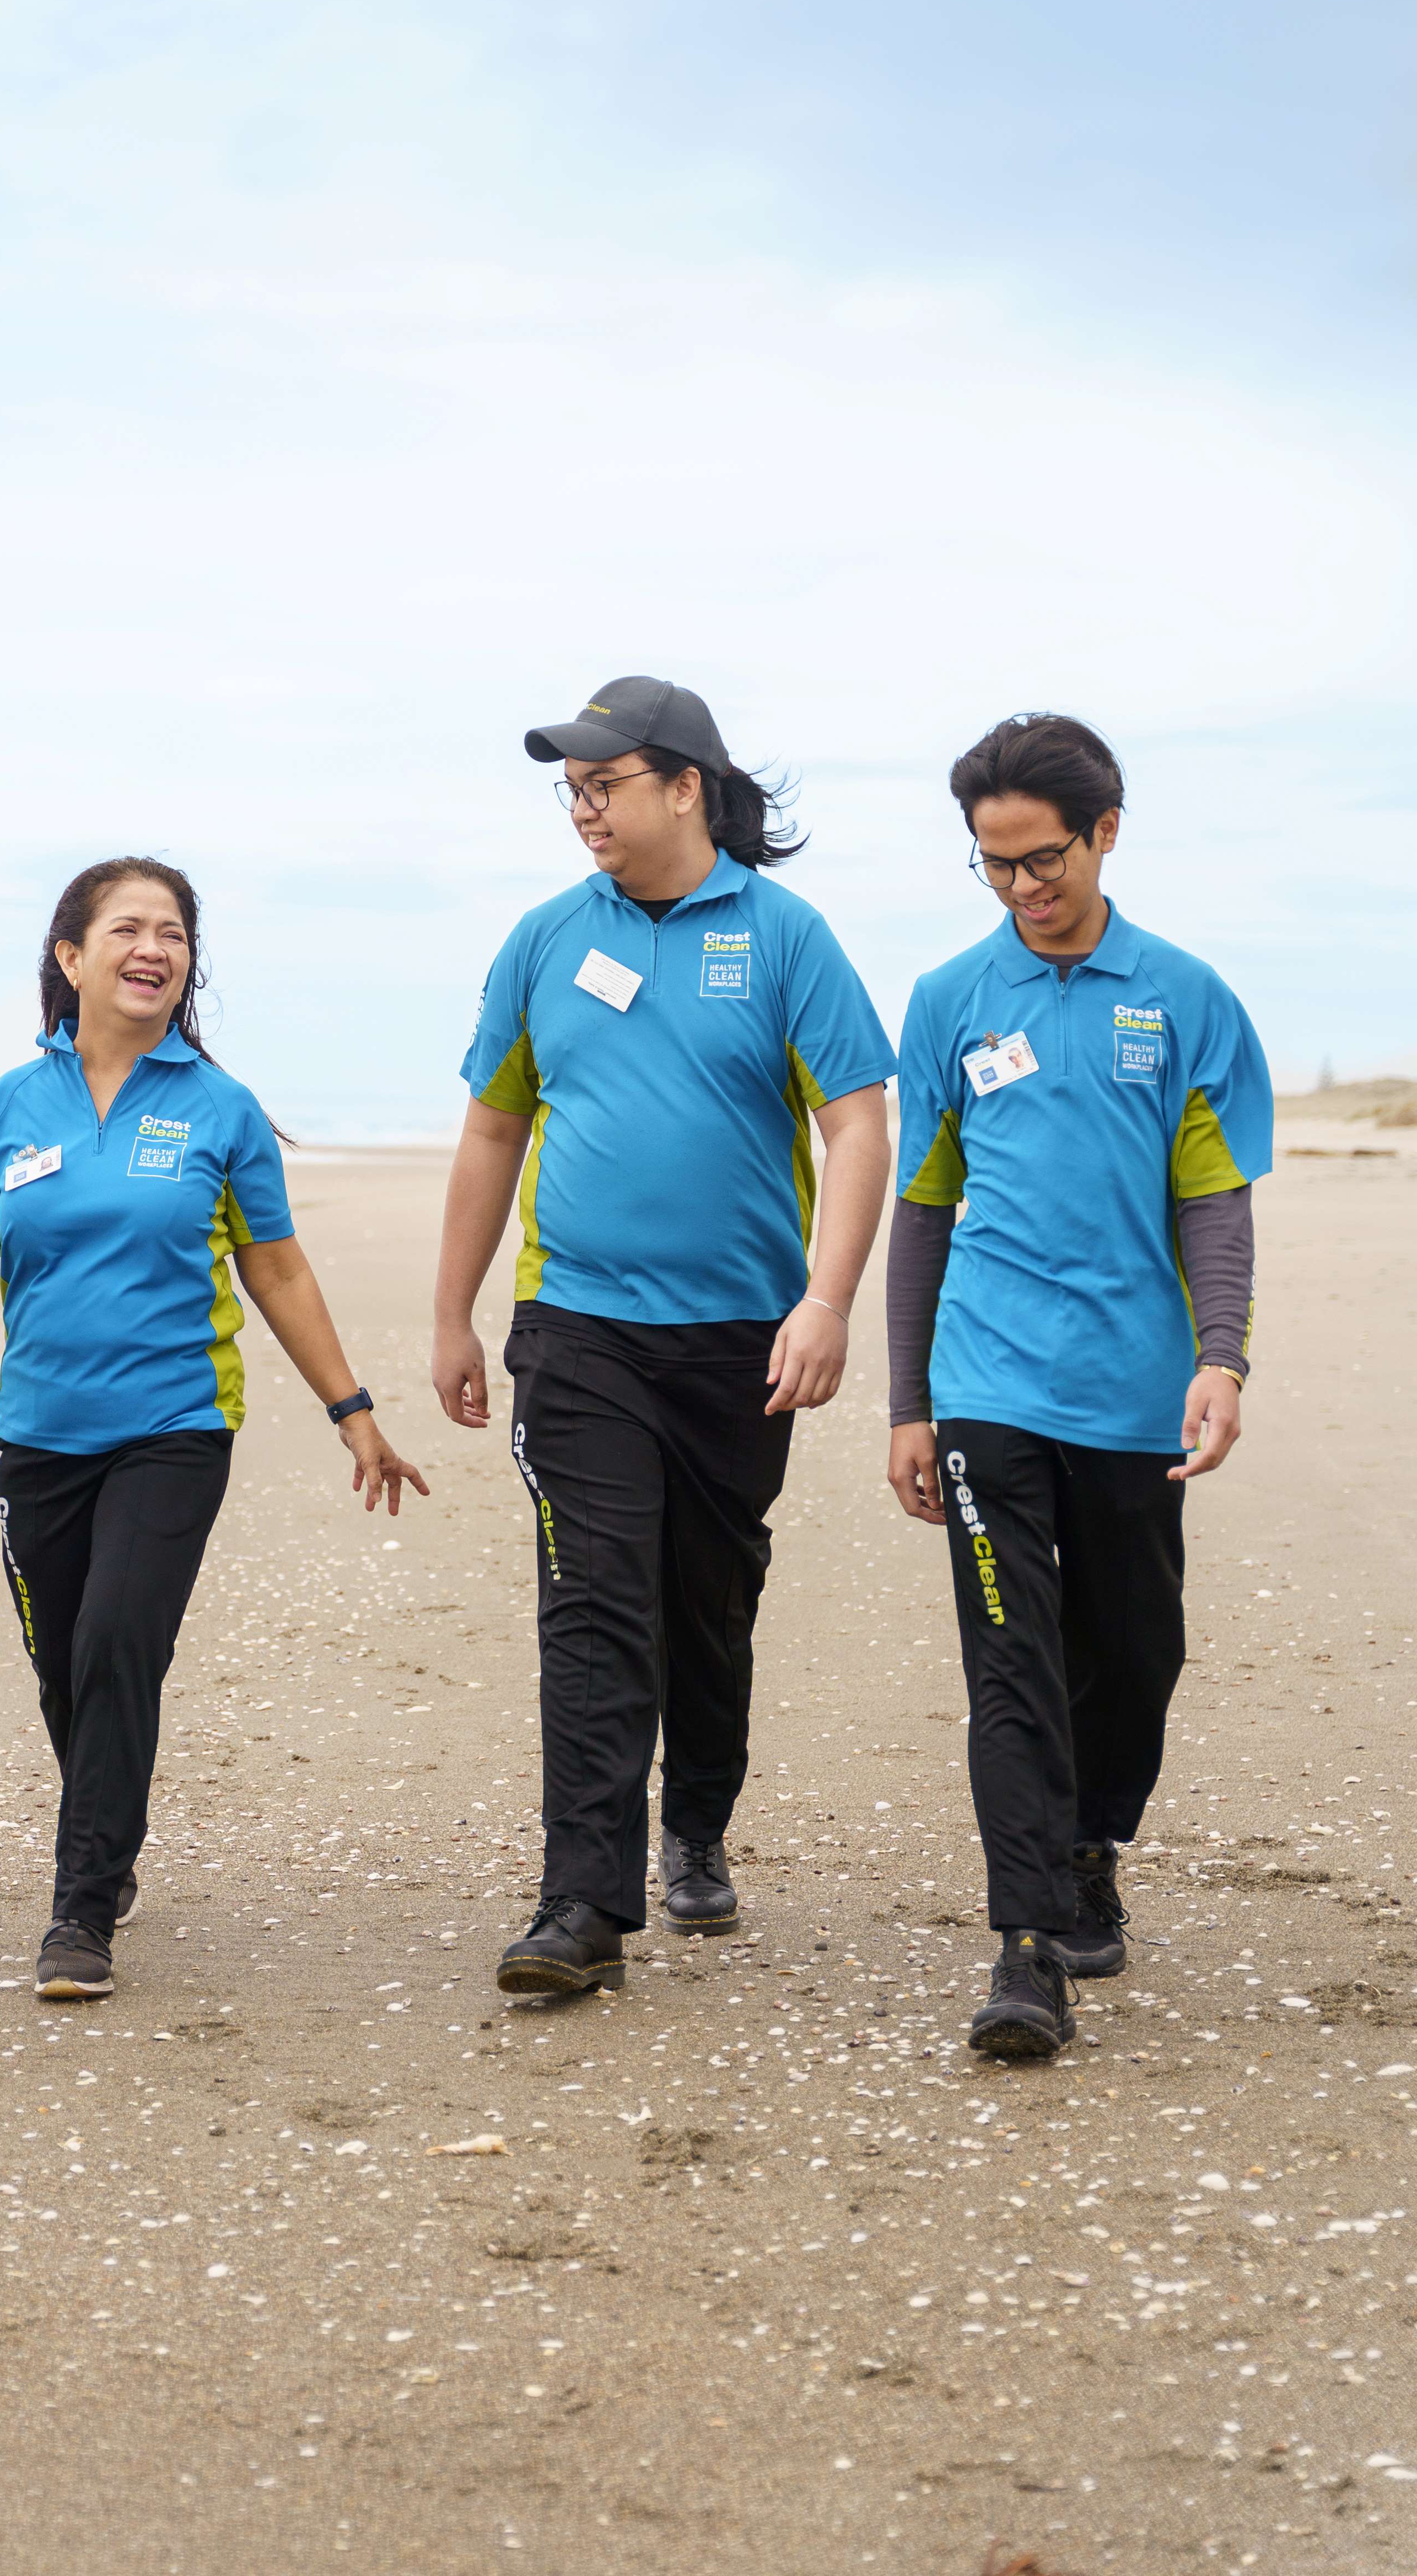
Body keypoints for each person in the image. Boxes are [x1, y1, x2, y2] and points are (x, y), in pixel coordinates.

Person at [0, 855, 425, 2002]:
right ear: (71, 957)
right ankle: (109, 1830)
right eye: (128, 929)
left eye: (174, 934)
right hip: (39, 1434)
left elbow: (277, 1269)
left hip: (174, 1427)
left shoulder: (218, 1106)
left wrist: (351, 1411)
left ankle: (80, 1907)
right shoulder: (17, 1100)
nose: (154, 949)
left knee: (114, 1644)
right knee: (64, 1666)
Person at [433, 676, 895, 1996]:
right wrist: (450, 1312)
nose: (579, 809)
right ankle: (580, 1903)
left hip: (741, 1343)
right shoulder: (539, 941)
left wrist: (824, 1300)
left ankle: (694, 1819)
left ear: (684, 786)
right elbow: (491, 1128)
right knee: (591, 1600)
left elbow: (856, 1124)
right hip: (575, 1328)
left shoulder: (785, 936)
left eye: (603, 784)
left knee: (707, 1604)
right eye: (568, 790)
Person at [886, 712, 1271, 2062]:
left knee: (1135, 1649)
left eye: (1040, 860)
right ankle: (1025, 1945)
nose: (1019, 889)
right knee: (1010, 1662)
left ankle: (1092, 1840)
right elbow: (922, 1210)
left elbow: (1211, 1201)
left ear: (1102, 833)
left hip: (1133, 1389)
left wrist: (1218, 1357)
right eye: (991, 866)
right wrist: (907, 1402)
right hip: (987, 1376)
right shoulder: (947, 1001)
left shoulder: (1181, 997)